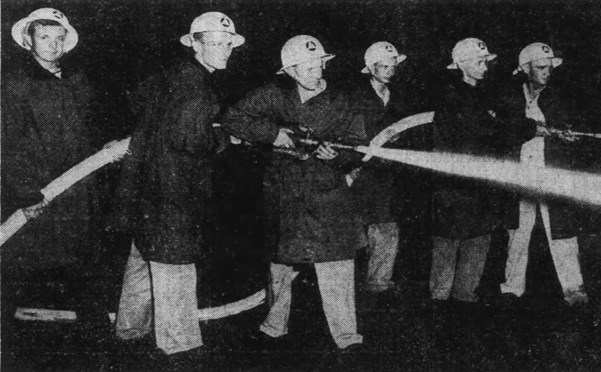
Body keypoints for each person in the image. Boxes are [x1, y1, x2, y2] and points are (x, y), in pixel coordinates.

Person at [223, 35, 366, 361]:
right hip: (285, 195)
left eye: (320, 65)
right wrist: (274, 135)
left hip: (327, 196)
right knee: (281, 267)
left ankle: (347, 337)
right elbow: (234, 118)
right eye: (308, 67)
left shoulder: (342, 100)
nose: (316, 71)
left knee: (336, 265)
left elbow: (358, 142)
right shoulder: (273, 96)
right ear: (290, 70)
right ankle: (274, 329)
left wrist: (337, 155)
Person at [112, 11, 243, 357]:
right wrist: (223, 138)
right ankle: (180, 344)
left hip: (146, 188)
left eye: (228, 44)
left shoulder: (167, 77)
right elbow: (190, 140)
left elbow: (136, 102)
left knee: (143, 257)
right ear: (196, 44)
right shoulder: (198, 90)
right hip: (175, 193)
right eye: (215, 43)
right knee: (175, 266)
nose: (224, 50)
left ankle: (129, 328)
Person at [2, 7, 108, 332]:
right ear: (28, 40)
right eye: (44, 36)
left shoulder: (79, 82)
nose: (52, 43)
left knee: (84, 270)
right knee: (18, 273)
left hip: (78, 197)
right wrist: (26, 194)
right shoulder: (14, 86)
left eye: (59, 37)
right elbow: (7, 147)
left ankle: (99, 345)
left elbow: (92, 134)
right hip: (39, 197)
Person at [428, 38, 537, 305]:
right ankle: (438, 299)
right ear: (462, 64)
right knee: (449, 242)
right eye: (479, 62)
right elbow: (487, 130)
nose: (485, 66)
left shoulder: (482, 94)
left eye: (486, 61)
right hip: (454, 185)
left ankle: (465, 293)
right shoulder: (451, 96)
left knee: (478, 239)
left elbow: (498, 125)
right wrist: (529, 128)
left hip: (479, 184)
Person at [499, 42, 589, 306]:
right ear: (526, 69)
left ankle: (574, 289)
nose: (547, 72)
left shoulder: (560, 96)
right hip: (520, 172)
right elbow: (504, 127)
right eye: (540, 67)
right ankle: (512, 287)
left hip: (553, 171)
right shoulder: (510, 96)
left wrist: (571, 134)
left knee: (562, 231)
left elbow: (577, 126)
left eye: (550, 67)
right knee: (518, 231)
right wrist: (535, 128)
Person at [346, 41, 408, 294]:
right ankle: (345, 283)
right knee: (355, 229)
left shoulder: (397, 97)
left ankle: (379, 282)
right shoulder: (355, 97)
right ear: (371, 68)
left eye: (393, 66)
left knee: (386, 225)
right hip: (359, 171)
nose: (390, 70)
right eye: (385, 66)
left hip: (386, 173)